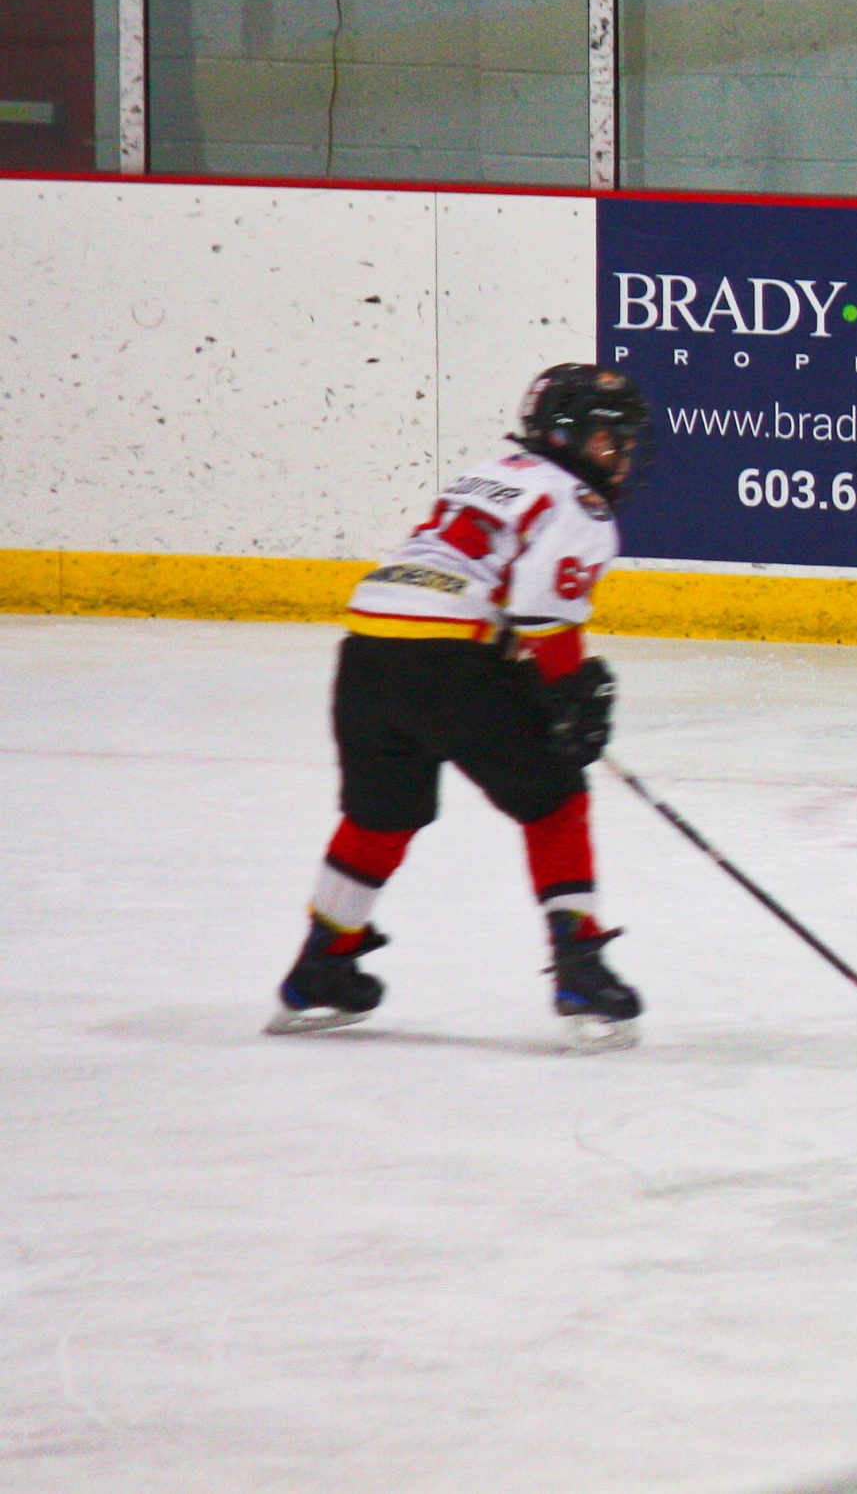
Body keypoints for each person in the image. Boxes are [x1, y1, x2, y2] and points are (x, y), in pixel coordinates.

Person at [267, 364, 653, 1050]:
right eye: (607, 438)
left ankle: (322, 963)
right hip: (450, 661)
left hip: (367, 654)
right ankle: (579, 965)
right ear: (564, 436)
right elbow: (541, 608)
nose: (620, 454)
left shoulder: (493, 473)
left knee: (379, 817)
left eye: (624, 439)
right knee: (555, 799)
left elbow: (483, 581)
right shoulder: (579, 504)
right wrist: (570, 692)